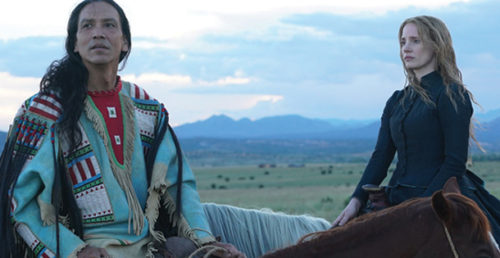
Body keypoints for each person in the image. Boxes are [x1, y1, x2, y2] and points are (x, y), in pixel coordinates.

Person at [0, 0, 245, 257]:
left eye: (109, 25)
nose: (98, 33)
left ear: (125, 42)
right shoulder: (44, 112)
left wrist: (206, 241)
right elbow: (18, 200)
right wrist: (75, 250)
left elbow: (179, 185)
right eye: (87, 26)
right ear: (74, 43)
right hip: (78, 247)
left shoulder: (147, 109)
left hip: (149, 246)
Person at [332, 15, 500, 243]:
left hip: (442, 200)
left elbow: (454, 162)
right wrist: (357, 200)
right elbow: (381, 156)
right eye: (403, 42)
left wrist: (421, 208)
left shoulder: (451, 94)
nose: (406, 48)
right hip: (396, 198)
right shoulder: (396, 101)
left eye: (415, 41)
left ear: (436, 46)